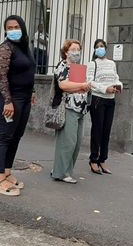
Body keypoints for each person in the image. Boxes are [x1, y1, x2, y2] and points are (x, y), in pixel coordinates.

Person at [0, 15, 36, 196]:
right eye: (9, 27)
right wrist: (8, 101)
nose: (13, 30)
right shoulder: (5, 48)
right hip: (8, 99)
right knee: (3, 137)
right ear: (5, 30)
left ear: (22, 28)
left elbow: (29, 72)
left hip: (23, 99)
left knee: (15, 136)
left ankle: (7, 172)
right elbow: (1, 76)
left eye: (16, 26)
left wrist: (31, 92)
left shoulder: (24, 48)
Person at [51, 39, 91, 184]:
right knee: (68, 142)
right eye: (73, 49)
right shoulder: (63, 66)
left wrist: (85, 86)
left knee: (76, 142)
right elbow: (63, 85)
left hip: (81, 108)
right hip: (68, 107)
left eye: (78, 49)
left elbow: (80, 87)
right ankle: (61, 173)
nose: (76, 52)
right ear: (66, 51)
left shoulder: (79, 68)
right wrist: (81, 85)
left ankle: (63, 169)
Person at [86, 39, 122, 175]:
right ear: (94, 50)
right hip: (98, 100)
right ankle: (93, 159)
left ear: (106, 48)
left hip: (110, 100)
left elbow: (116, 78)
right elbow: (89, 81)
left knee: (106, 131)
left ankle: (103, 159)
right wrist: (104, 88)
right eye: (97, 47)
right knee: (97, 130)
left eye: (102, 46)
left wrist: (119, 86)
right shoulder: (92, 64)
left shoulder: (112, 63)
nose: (100, 49)